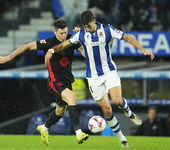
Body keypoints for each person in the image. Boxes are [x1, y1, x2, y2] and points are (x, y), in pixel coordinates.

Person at [45, 10, 155, 148]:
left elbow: (127, 38)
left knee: (117, 100)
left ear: (94, 21)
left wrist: (143, 50)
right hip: (93, 78)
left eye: (89, 26)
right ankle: (123, 140)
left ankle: (128, 112)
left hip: (109, 72)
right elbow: (64, 44)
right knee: (107, 110)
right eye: (84, 27)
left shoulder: (108, 30)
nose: (87, 29)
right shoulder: (82, 34)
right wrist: (51, 50)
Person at [0, 19, 89, 145]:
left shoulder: (72, 39)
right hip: (54, 81)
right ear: (54, 32)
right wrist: (8, 57)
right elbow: (27, 46)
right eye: (61, 33)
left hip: (67, 81)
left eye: (65, 32)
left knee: (60, 111)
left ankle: (44, 127)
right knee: (72, 98)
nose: (64, 36)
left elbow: (84, 52)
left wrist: (83, 39)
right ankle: (79, 133)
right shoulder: (48, 43)